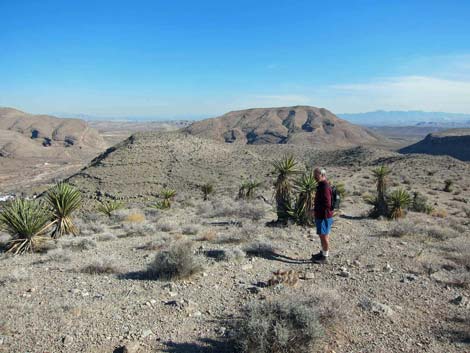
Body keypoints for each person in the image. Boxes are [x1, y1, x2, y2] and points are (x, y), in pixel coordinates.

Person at [311, 168, 333, 264]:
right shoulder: (322, 185)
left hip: (324, 216)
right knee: (323, 236)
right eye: (314, 175)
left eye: (316, 175)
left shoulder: (324, 187)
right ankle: (323, 253)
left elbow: (327, 204)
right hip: (323, 215)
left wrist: (315, 209)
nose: (314, 177)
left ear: (322, 175)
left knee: (324, 236)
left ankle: (324, 257)